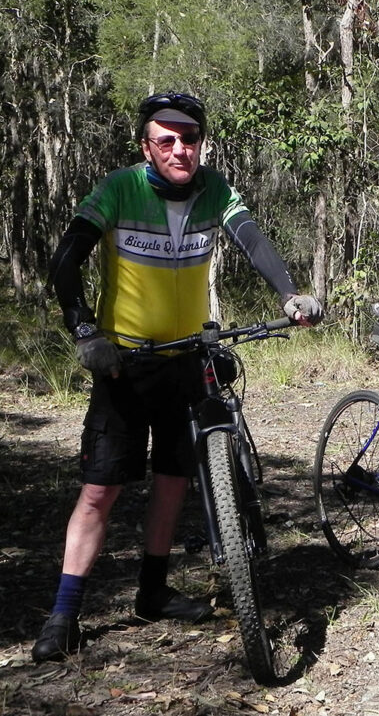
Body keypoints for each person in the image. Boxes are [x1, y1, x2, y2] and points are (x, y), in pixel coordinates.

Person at [33, 92, 324, 663]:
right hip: (124, 362)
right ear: (146, 146)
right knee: (100, 489)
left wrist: (290, 294)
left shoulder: (214, 189)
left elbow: (252, 239)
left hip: (187, 356)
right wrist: (85, 331)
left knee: (172, 479)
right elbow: (67, 258)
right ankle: (64, 612)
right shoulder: (120, 188)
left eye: (188, 138)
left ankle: (153, 591)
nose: (179, 149)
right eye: (165, 140)